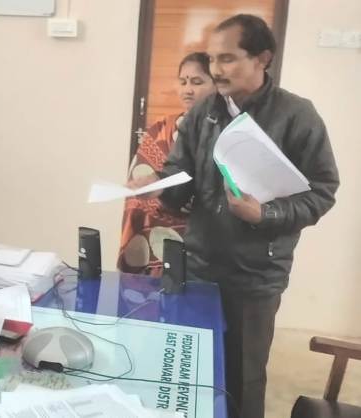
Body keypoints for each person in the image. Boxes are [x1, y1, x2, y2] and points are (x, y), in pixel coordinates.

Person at [128, 15, 339, 418]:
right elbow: (180, 178)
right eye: (212, 59)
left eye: (227, 58)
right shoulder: (204, 112)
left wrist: (264, 213)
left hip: (255, 275)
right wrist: (158, 184)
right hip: (197, 264)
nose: (216, 69)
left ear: (263, 58)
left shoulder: (297, 115)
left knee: (242, 378)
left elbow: (322, 191)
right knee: (188, 368)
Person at [118, 52, 215, 274]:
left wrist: (193, 200)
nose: (187, 89)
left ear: (217, 85)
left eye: (197, 82)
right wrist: (158, 193)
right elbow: (139, 186)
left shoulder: (222, 132)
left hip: (205, 244)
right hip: (154, 235)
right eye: (183, 82)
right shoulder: (160, 130)